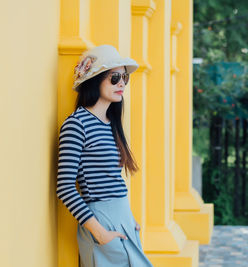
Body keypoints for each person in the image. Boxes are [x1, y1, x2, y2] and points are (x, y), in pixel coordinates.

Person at [56, 44, 154, 267]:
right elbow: (65, 186)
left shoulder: (111, 124)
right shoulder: (76, 124)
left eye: (124, 78)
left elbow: (112, 180)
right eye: (114, 77)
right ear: (95, 80)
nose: (122, 83)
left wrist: (129, 219)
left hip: (123, 221)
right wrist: (99, 232)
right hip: (101, 222)